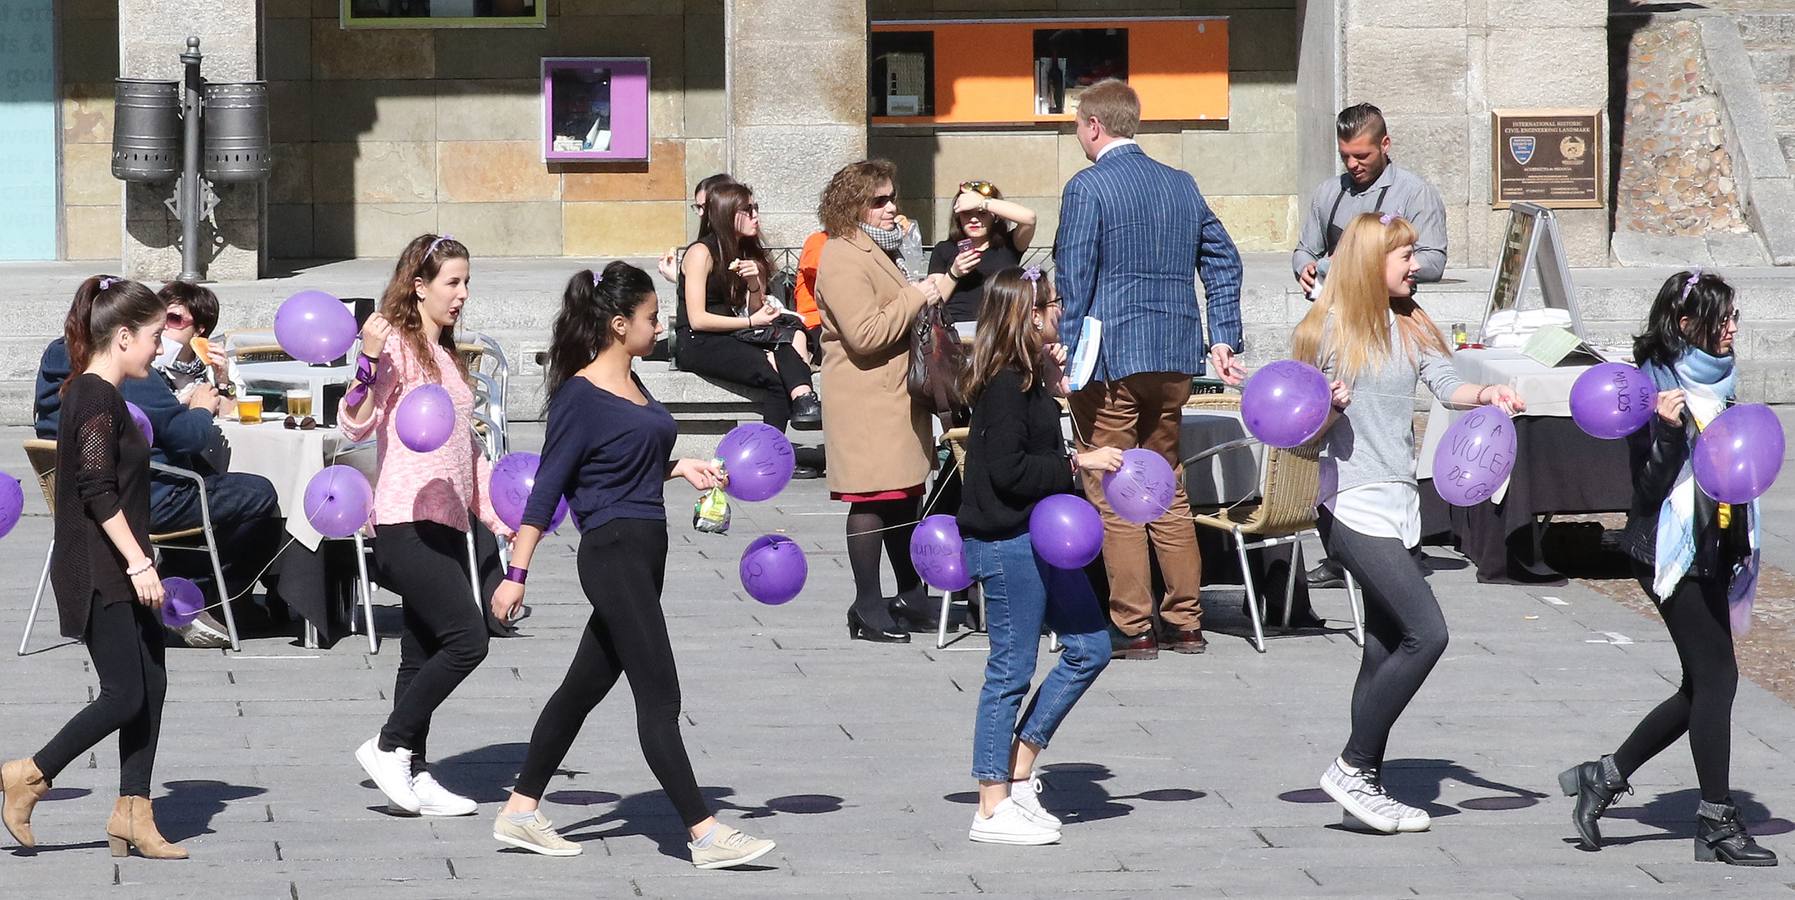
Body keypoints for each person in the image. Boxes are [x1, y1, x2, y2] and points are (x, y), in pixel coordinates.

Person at [487, 262, 777, 869]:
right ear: (619, 325)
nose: (659, 325)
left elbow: (629, 455)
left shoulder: (637, 384)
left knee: (582, 687)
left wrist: (682, 466)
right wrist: (516, 573)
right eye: (650, 317)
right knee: (660, 697)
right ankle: (703, 833)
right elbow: (549, 488)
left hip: (645, 552)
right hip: (613, 553)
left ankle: (519, 809)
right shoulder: (579, 394)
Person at [1287, 213, 1522, 835]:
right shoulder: (1329, 329)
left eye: (1414, 254)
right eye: (1404, 257)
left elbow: (1447, 385)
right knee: (1428, 633)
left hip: (1398, 504)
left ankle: (1364, 785)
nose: (1415, 265)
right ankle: (1352, 764)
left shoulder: (1411, 321)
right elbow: (1298, 436)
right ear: (1371, 262)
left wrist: (1490, 395)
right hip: (1351, 507)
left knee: (1384, 648)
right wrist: (1329, 410)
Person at [1559, 271, 1775, 866]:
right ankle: (1716, 821)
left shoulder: (1715, 375)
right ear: (1686, 325)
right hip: (1667, 550)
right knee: (1719, 679)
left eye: (1734, 316)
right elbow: (1646, 491)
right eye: (1722, 318)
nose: (1733, 327)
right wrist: (1668, 434)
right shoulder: (1648, 391)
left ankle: (1602, 777)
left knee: (1703, 683)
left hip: (1714, 541)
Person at [1053, 78, 1245, 660]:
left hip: (1112, 358)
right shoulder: (1180, 185)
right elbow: (1225, 259)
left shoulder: (1088, 187)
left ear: (1093, 126)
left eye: (1079, 126)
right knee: (1165, 486)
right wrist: (1224, 337)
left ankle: (1134, 626)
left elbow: (1075, 278)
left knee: (1114, 493)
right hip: (1173, 357)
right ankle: (1186, 620)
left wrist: (1064, 354)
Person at [2, 276, 188, 859]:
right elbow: (96, 490)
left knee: (151, 684)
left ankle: (134, 811)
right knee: (124, 694)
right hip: (101, 567)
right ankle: (29, 774)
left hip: (122, 561)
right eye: (156, 336)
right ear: (124, 335)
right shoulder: (91, 396)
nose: (161, 347)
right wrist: (139, 564)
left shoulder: (104, 396)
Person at [342, 233, 511, 819]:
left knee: (422, 652)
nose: (462, 295)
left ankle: (412, 773)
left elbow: (468, 453)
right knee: (469, 640)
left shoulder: (446, 357)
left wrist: (496, 516)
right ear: (419, 286)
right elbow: (356, 423)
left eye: (467, 282)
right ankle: (388, 746)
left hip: (447, 523)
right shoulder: (396, 349)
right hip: (402, 522)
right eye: (452, 282)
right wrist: (364, 360)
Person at [958, 266, 1119, 846]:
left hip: (1044, 536)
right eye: (1052, 304)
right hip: (1006, 542)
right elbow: (1007, 472)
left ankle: (1020, 768)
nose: (1060, 313)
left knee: (1090, 647)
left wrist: (1059, 397)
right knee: (1010, 670)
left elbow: (1032, 457)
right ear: (1028, 315)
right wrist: (1080, 462)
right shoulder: (1004, 383)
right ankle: (990, 803)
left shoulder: (1031, 380)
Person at [1294, 103, 1451, 594]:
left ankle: (1403, 546)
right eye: (1345, 155)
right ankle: (1341, 546)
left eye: (1361, 154)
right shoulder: (1329, 193)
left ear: (1385, 146)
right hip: (1340, 320)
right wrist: (1305, 265)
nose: (1353, 164)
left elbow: (1435, 259)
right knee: (1333, 434)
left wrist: (1375, 263)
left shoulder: (1415, 192)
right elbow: (1304, 247)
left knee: (1386, 429)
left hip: (1390, 323)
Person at [813, 159, 957, 642]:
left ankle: (911, 593)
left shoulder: (879, 247)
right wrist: (917, 294)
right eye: (879, 201)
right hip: (864, 396)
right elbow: (866, 333)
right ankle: (867, 604)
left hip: (894, 394)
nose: (892, 208)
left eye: (893, 197)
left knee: (903, 496)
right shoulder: (840, 255)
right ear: (852, 206)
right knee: (872, 497)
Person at [674, 181, 822, 433]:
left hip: (731, 334)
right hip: (698, 341)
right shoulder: (701, 252)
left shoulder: (743, 252)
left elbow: (755, 311)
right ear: (727, 214)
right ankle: (774, 449)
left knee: (786, 336)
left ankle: (804, 400)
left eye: (756, 208)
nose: (756, 216)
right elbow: (697, 319)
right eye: (748, 210)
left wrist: (755, 284)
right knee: (775, 375)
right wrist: (752, 323)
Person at [928, 180, 1037, 325]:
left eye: (982, 213)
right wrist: (954, 273)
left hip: (998, 330)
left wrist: (982, 202)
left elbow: (1030, 218)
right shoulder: (944, 249)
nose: (974, 220)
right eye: (967, 213)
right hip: (956, 330)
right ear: (958, 216)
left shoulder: (1009, 245)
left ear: (995, 216)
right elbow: (932, 301)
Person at [657, 172, 735, 283]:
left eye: (705, 207)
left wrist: (680, 279)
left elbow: (717, 297)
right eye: (698, 207)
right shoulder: (709, 245)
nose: (701, 213)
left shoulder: (738, 244)